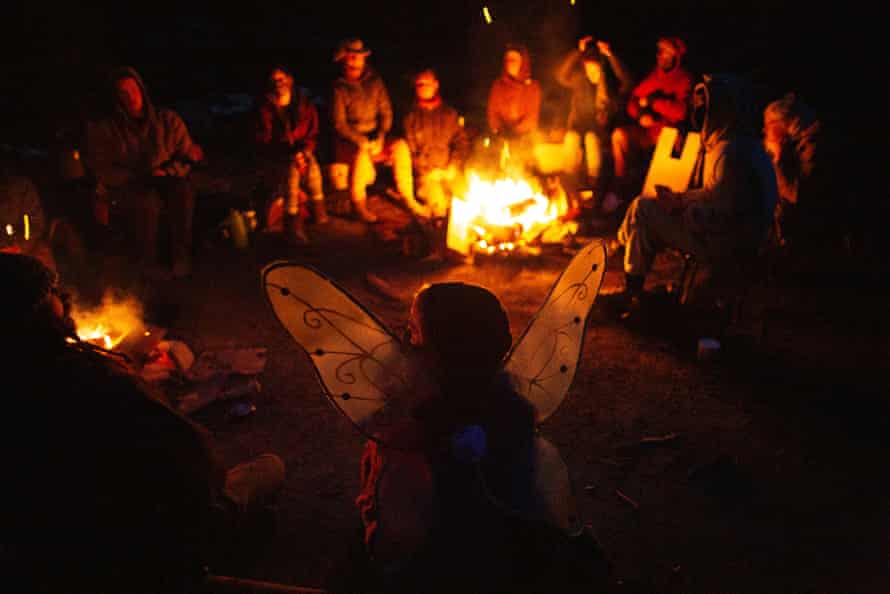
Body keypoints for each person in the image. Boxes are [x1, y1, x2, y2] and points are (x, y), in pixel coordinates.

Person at [0, 252, 286, 593]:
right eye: (50, 291)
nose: (60, 297)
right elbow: (194, 460)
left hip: (38, 555)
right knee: (270, 467)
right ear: (38, 311)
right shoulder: (94, 377)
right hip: (134, 548)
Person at [329, 282, 606, 594]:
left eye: (412, 332)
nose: (404, 341)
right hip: (512, 559)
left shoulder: (410, 434)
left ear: (435, 355)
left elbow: (393, 537)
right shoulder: (514, 409)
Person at [611, 74, 778, 313]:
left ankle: (631, 288)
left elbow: (721, 215)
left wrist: (681, 209)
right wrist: (682, 198)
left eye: (705, 107)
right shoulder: (741, 145)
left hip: (727, 243)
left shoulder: (729, 154)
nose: (698, 113)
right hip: (740, 237)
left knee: (643, 210)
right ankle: (622, 251)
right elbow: (716, 192)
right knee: (644, 210)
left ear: (720, 109)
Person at [84, 66, 204, 279]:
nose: (130, 96)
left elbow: (187, 155)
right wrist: (133, 177)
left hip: (167, 178)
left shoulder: (167, 120)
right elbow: (101, 167)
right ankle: (148, 264)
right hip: (131, 183)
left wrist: (167, 171)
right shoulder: (107, 129)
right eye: (123, 92)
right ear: (117, 98)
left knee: (183, 190)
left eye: (133, 89)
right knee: (146, 202)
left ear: (141, 89)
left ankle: (181, 258)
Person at [609, 37, 693, 208]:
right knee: (619, 135)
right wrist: (640, 115)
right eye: (659, 52)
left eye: (665, 53)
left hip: (669, 133)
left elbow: (681, 111)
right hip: (648, 132)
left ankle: (662, 198)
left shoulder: (684, 79)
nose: (660, 56)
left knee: (672, 137)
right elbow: (634, 100)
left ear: (675, 57)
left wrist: (654, 103)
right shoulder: (654, 77)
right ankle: (620, 189)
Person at [253, 65, 327, 244]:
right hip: (276, 156)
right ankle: (292, 223)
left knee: (313, 167)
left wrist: (303, 151)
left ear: (290, 80)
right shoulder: (265, 108)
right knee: (292, 172)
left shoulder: (303, 104)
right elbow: (264, 140)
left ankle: (319, 213)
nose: (279, 84)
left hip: (301, 152)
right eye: (275, 81)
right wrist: (291, 153)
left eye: (282, 79)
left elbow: (312, 133)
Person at [391, 68, 470, 220]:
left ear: (436, 85)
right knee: (439, 209)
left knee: (467, 200)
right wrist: (428, 171)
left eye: (427, 84)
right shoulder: (411, 117)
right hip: (427, 175)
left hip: (449, 171)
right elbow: (411, 153)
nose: (423, 88)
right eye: (419, 84)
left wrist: (453, 166)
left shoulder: (449, 114)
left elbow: (461, 142)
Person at [555, 36, 633, 190]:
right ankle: (569, 184)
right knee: (571, 139)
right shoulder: (580, 80)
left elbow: (627, 81)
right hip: (578, 124)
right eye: (588, 69)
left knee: (591, 140)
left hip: (599, 127)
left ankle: (594, 182)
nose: (591, 73)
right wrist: (578, 51)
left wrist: (610, 55)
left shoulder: (609, 86)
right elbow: (561, 76)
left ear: (601, 68)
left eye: (595, 69)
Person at [330, 38, 393, 223]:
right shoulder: (339, 87)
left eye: (358, 57)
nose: (354, 61)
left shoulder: (375, 81)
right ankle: (358, 204)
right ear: (344, 60)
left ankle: (408, 198)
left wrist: (382, 134)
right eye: (350, 57)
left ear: (364, 59)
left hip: (375, 135)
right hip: (350, 140)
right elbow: (339, 124)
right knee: (360, 153)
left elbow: (386, 111)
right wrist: (360, 140)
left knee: (400, 147)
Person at [762, 92, 827, 249]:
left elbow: (797, 195)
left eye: (768, 125)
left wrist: (777, 159)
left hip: (813, 236)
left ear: (783, 126)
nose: (764, 131)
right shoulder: (793, 145)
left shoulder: (812, 147)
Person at [487, 43, 542, 169]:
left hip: (524, 138)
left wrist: (514, 134)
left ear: (522, 62)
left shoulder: (532, 87)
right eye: (508, 60)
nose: (510, 63)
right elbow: (492, 112)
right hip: (501, 136)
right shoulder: (498, 86)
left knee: (522, 161)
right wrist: (500, 131)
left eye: (514, 60)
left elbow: (532, 117)